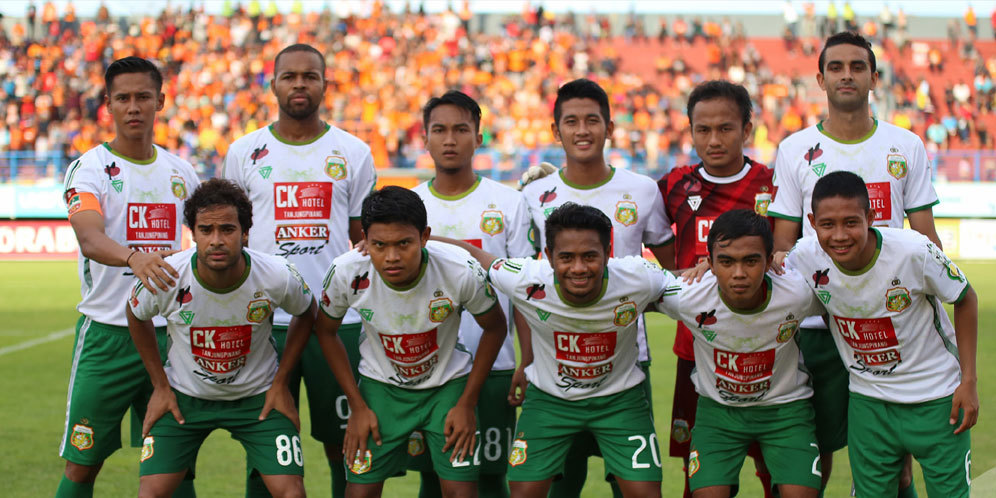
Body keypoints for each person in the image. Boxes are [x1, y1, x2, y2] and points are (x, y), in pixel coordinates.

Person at [768, 32, 941, 497]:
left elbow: (926, 238)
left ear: (873, 78)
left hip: (895, 324)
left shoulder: (906, 145)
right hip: (820, 330)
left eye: (858, 67)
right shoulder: (794, 149)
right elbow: (783, 245)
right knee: (815, 456)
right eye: (838, 67)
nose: (848, 74)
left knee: (896, 461)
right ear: (821, 79)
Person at [222, 43, 377, 498]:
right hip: (264, 320)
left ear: (324, 85)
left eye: (310, 76)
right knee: (267, 444)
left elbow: (362, 236)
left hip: (337, 320)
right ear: (273, 85)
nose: (299, 85)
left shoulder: (353, 151)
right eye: (289, 76)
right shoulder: (244, 151)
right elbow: (234, 233)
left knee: (345, 444)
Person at [442, 202, 668, 498]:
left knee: (644, 493)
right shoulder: (526, 278)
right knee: (523, 492)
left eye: (589, 256)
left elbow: (691, 288)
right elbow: (472, 254)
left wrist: (705, 267)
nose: (578, 268)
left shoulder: (640, 278)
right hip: (550, 399)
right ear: (548, 256)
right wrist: (419, 237)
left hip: (620, 400)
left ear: (607, 252)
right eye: (566, 257)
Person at [520, 78, 674, 498]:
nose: (582, 130)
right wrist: (527, 359)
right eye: (571, 121)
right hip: (556, 363)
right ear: (557, 131)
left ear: (609, 127)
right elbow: (523, 282)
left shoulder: (642, 190)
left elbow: (671, 271)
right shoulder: (533, 195)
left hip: (627, 360)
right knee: (558, 486)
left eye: (592, 120)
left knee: (632, 487)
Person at [57, 56, 200, 498]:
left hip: (170, 337)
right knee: (82, 465)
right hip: (108, 336)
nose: (133, 107)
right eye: (123, 98)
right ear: (108, 105)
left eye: (143, 97)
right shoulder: (90, 169)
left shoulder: (182, 172)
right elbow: (89, 238)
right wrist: (135, 258)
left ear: (160, 100)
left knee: (174, 470)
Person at [786, 171, 977, 497]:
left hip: (937, 399)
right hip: (868, 401)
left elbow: (965, 297)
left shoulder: (913, 251)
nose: (840, 235)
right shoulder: (804, 257)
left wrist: (969, 381)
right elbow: (766, 284)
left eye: (851, 222)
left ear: (871, 218)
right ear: (812, 221)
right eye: (827, 224)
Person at [313, 186, 507, 498]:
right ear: (364, 237)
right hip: (380, 390)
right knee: (360, 493)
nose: (391, 257)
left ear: (424, 236)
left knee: (461, 492)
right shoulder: (346, 271)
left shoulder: (459, 269)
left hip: (447, 388)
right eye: (379, 245)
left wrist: (467, 403)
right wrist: (357, 405)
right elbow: (325, 330)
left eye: (404, 243)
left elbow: (495, 327)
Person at [126, 178, 315, 498]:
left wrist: (281, 383)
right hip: (184, 398)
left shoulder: (276, 274)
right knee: (150, 494)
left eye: (227, 229)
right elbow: (135, 313)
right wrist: (160, 386)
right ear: (193, 233)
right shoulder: (169, 274)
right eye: (206, 230)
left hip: (258, 398)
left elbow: (308, 311)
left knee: (291, 493)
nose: (216, 240)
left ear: (245, 233)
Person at [410, 90, 534, 498]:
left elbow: (525, 289)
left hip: (495, 365)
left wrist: (525, 360)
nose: (450, 140)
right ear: (424, 139)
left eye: (461, 129)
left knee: (492, 474)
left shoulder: (508, 203)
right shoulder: (411, 205)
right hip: (427, 369)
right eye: (439, 130)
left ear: (478, 137)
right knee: (434, 475)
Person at [657, 81, 775, 498]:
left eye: (725, 128)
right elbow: (640, 231)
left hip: (765, 346)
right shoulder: (674, 185)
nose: (713, 140)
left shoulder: (772, 186)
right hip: (696, 347)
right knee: (701, 471)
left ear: (747, 130)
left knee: (774, 469)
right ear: (690, 131)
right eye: (702, 129)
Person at [655, 209, 822, 498]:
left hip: (786, 411)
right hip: (718, 414)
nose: (739, 273)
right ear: (709, 263)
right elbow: (631, 289)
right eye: (726, 262)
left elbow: (848, 293)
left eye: (751, 261)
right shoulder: (689, 295)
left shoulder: (798, 292)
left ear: (770, 261)